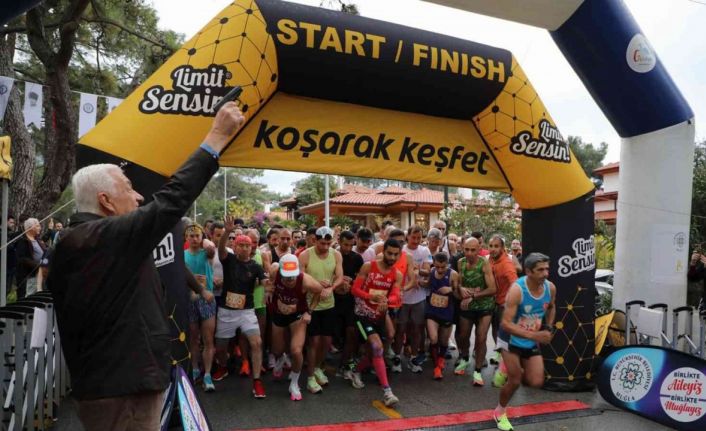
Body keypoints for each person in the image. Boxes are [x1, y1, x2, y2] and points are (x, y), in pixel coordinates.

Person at [47, 102, 244, 430]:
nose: (139, 197)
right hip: (122, 391)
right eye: (128, 189)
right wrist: (216, 137)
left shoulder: (84, 240)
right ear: (105, 201)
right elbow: (171, 202)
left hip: (116, 385)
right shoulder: (97, 238)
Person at [494, 253, 556, 431]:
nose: (545, 274)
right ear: (528, 271)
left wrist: (548, 327)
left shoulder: (550, 288)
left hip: (529, 339)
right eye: (540, 270)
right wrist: (536, 336)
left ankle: (509, 366)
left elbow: (551, 307)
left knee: (536, 381)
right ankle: (500, 412)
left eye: (547, 269)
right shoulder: (517, 290)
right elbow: (505, 324)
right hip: (510, 339)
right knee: (514, 381)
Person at [216, 216, 268, 398]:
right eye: (241, 245)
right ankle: (223, 366)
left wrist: (268, 285)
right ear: (236, 247)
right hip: (226, 311)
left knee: (257, 342)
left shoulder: (255, 266)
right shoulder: (229, 259)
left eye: (247, 245)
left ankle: (257, 381)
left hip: (247, 311)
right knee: (220, 347)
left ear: (251, 248)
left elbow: (264, 280)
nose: (245, 248)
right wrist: (227, 232)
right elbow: (221, 249)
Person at [349, 239, 403, 406]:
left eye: (395, 254)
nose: (392, 257)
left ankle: (355, 370)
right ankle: (387, 392)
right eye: (389, 253)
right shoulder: (368, 267)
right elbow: (354, 290)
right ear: (383, 252)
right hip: (362, 315)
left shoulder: (397, 275)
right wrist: (370, 296)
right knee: (377, 347)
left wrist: (387, 300)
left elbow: (395, 295)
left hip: (380, 316)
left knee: (378, 349)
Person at [267, 254, 322, 400]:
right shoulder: (275, 271)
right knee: (277, 350)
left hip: (297, 315)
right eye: (286, 276)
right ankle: (281, 358)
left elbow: (319, 290)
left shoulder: (305, 280)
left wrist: (309, 312)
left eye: (293, 276)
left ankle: (294, 383)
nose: (290, 280)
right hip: (278, 313)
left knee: (296, 350)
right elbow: (269, 280)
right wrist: (269, 290)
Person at [299, 226, 343, 393]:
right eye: (322, 243)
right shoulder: (305, 255)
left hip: (329, 304)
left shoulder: (336, 254)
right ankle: (310, 377)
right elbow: (300, 280)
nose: (325, 247)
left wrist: (331, 288)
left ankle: (317, 367)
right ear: (314, 240)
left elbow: (339, 276)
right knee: (313, 342)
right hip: (311, 305)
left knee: (326, 341)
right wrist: (316, 285)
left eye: (328, 244)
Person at [453, 238, 497, 386]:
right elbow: (459, 282)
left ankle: (477, 371)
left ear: (479, 249)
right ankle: (465, 358)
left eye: (473, 250)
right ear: (462, 248)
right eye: (466, 249)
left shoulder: (484, 263)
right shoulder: (461, 262)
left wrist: (473, 296)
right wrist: (460, 288)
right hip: (467, 305)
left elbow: (492, 289)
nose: (469, 253)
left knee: (481, 337)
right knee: (463, 335)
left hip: (484, 305)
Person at [183, 224, 218, 391]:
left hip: (207, 300)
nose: (195, 239)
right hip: (190, 300)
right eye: (191, 236)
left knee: (208, 339)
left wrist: (207, 241)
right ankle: (195, 369)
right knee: (193, 338)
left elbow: (212, 248)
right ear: (186, 238)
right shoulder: (182, 255)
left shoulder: (207, 253)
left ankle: (208, 374)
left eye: (197, 235)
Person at [394, 225, 432, 373]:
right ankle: (397, 357)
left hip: (419, 296)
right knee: (400, 329)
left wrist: (417, 270)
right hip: (401, 297)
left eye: (419, 238)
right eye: (413, 237)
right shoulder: (401, 250)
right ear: (407, 236)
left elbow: (427, 271)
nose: (416, 241)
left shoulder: (425, 251)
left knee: (417, 329)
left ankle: (414, 358)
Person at [334, 230, 364, 378]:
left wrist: (352, 281)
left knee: (351, 331)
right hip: (333, 300)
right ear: (339, 242)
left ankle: (345, 363)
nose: (348, 248)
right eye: (345, 244)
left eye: (351, 245)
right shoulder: (332, 255)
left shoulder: (357, 258)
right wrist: (338, 281)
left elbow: (362, 278)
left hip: (350, 301)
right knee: (333, 335)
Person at [424, 252, 459, 380]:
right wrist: (420, 283)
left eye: (443, 267)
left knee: (443, 341)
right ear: (434, 263)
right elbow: (428, 284)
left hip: (446, 312)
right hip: (432, 310)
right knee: (433, 338)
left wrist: (450, 289)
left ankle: (441, 359)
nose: (439, 269)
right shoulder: (432, 271)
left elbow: (458, 293)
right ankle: (436, 367)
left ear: (447, 264)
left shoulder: (453, 274)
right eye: (437, 266)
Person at [488, 235, 519, 376]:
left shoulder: (507, 264)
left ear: (502, 248)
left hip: (504, 304)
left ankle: (506, 363)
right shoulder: (489, 260)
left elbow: (515, 284)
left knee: (504, 332)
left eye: (496, 246)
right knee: (495, 328)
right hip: (493, 301)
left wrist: (509, 302)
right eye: (491, 246)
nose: (493, 249)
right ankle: (499, 352)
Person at [15, 217, 46, 298]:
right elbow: (22, 259)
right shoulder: (23, 241)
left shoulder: (38, 239)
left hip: (39, 274)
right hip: (28, 276)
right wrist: (37, 265)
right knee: (28, 297)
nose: (40, 228)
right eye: (37, 226)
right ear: (30, 228)